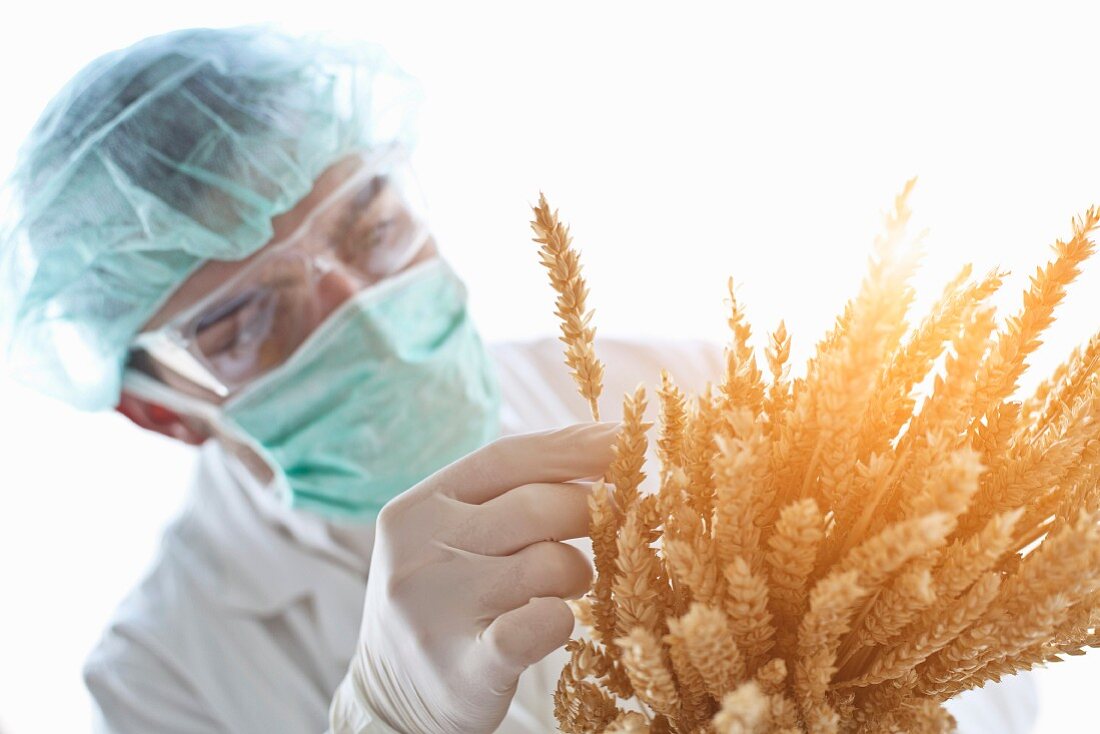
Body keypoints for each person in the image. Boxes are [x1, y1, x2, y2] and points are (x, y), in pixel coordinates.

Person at [0, 26, 1037, 734]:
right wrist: (387, 715)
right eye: (242, 320)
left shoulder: (702, 390)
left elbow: (995, 656)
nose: (359, 306)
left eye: (370, 226)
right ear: (154, 409)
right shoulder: (160, 677)